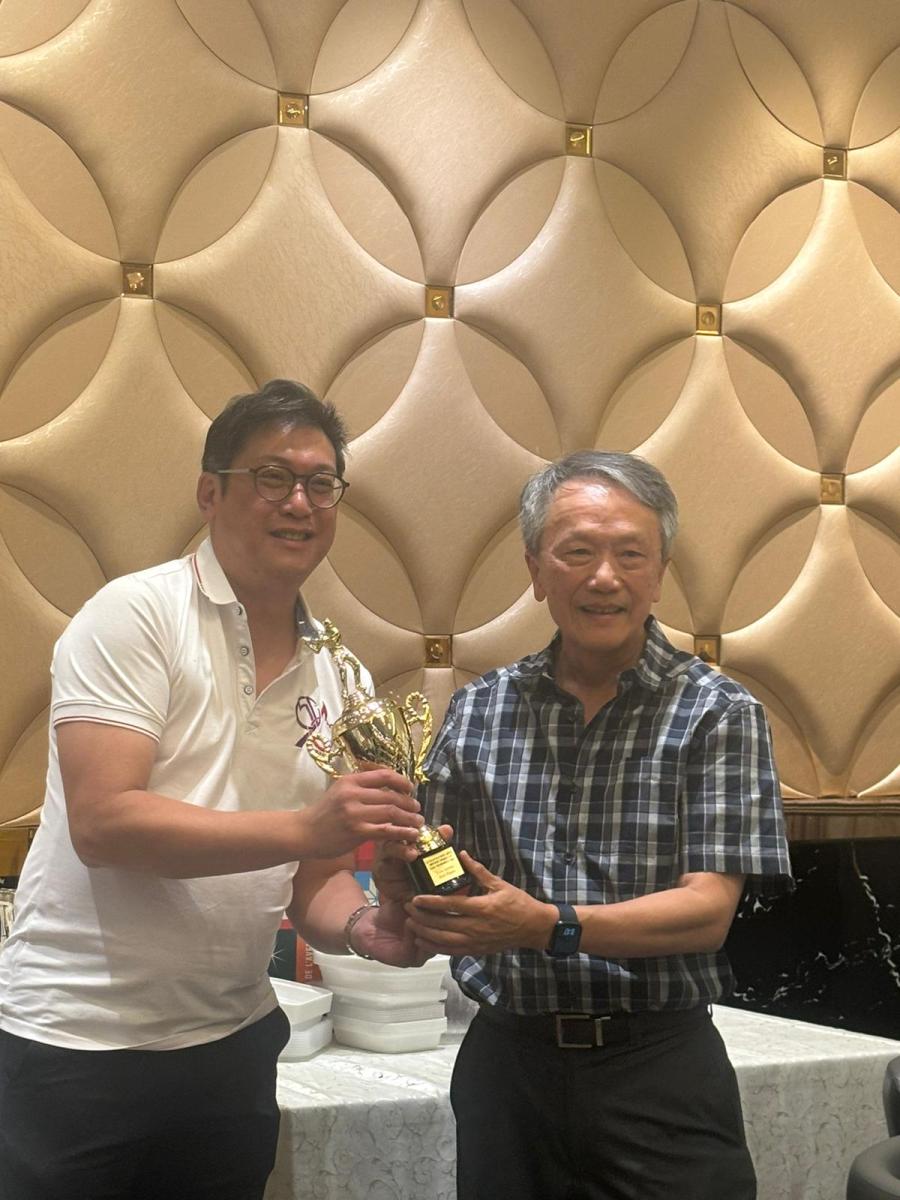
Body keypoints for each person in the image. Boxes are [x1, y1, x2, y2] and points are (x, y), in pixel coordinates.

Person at [0, 379, 426, 1200]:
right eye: (273, 477)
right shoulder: (135, 615)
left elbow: (313, 881)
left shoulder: (340, 674)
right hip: (76, 1043)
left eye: (321, 483)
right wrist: (304, 829)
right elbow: (105, 823)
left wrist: (370, 930)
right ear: (210, 493)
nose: (299, 502)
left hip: (232, 1042)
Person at [380, 451, 792, 1200]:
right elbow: (443, 873)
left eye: (630, 554)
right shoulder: (482, 708)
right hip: (508, 1067)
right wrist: (402, 876)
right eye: (577, 552)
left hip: (657, 1068)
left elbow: (707, 912)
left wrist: (548, 925)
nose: (605, 577)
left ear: (659, 572)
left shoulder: (718, 713)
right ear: (536, 570)